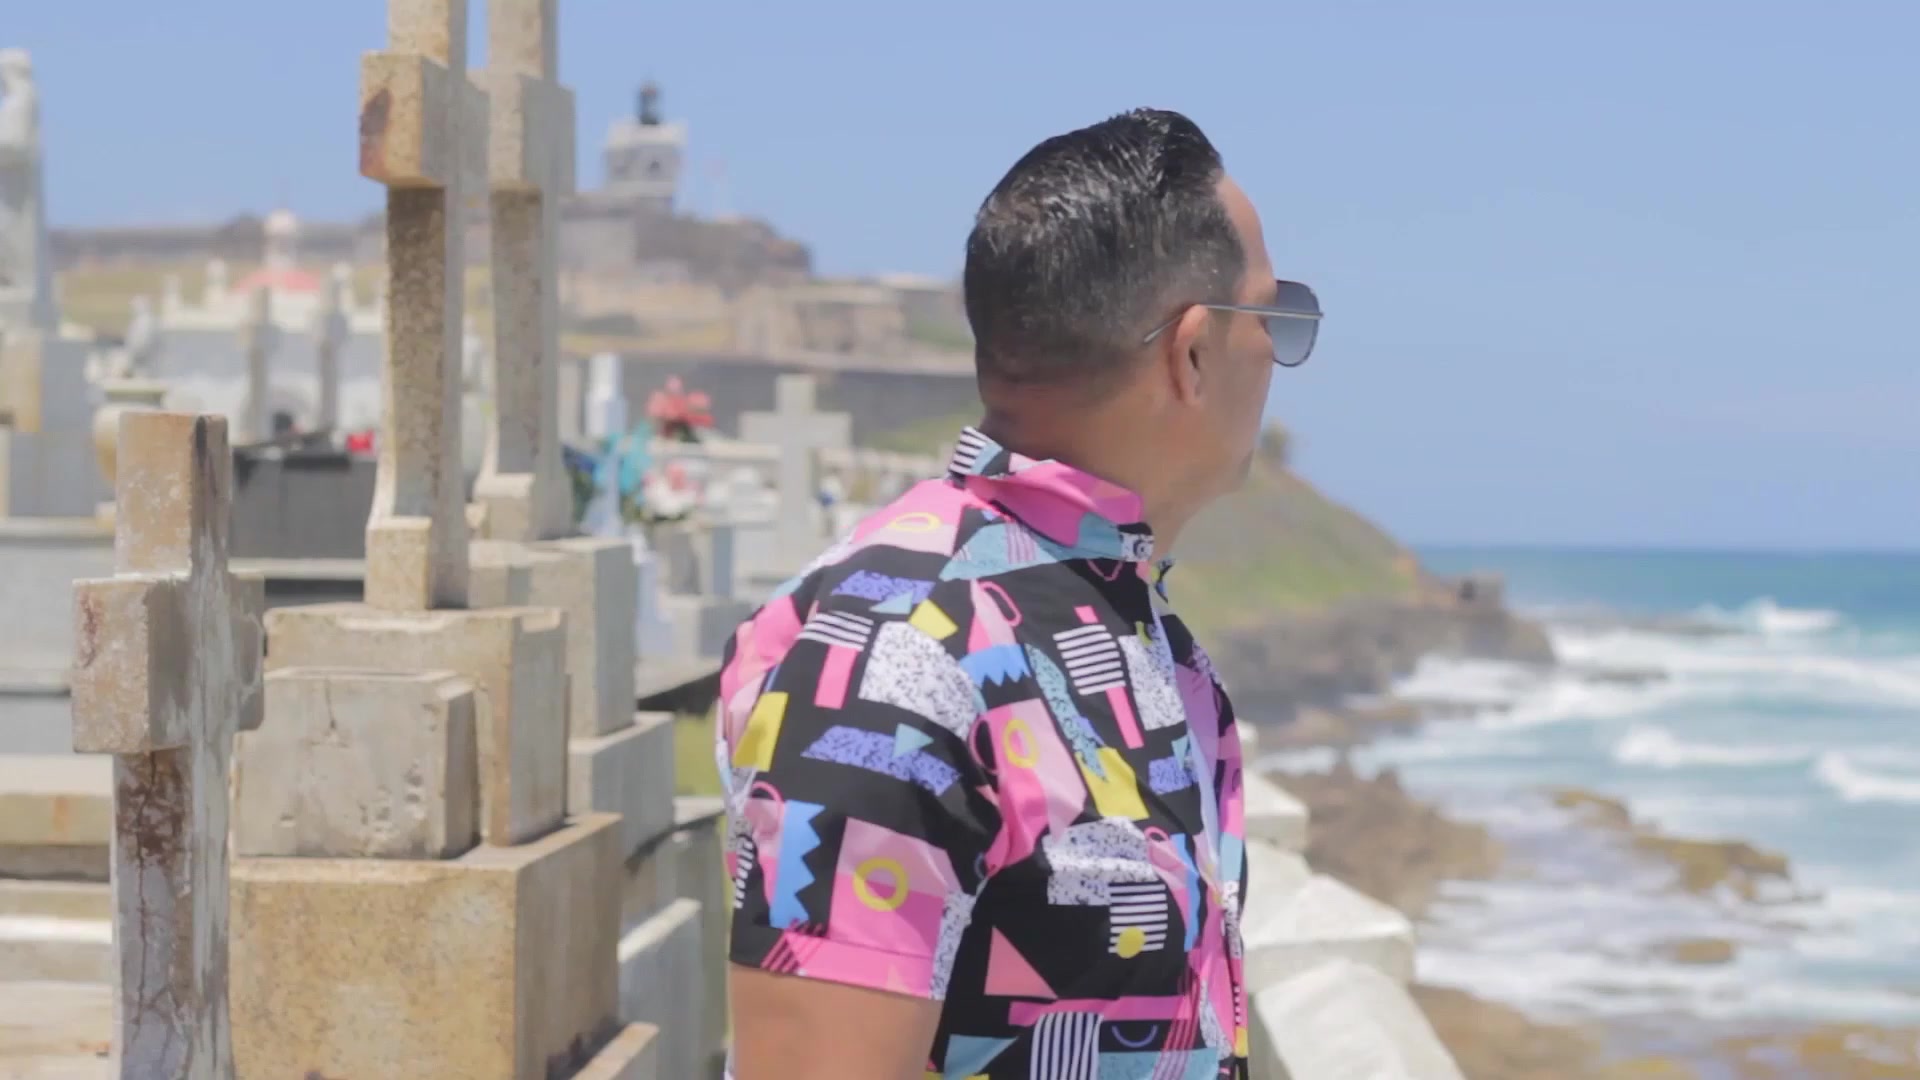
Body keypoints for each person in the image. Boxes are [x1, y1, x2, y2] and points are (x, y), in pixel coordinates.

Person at [719, 107, 1322, 1079]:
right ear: (1193, 352)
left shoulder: (1122, 617)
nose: (1280, 356)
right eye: (1273, 315)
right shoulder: (896, 656)